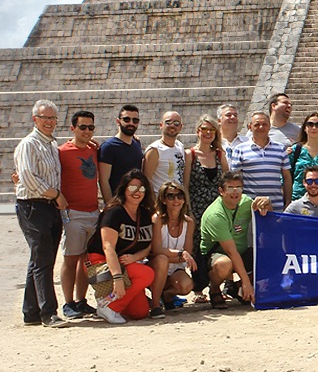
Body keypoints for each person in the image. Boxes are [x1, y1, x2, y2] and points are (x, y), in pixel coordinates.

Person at [14, 99, 69, 327]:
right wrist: (56, 194)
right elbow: (27, 177)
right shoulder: (28, 144)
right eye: (45, 118)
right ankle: (49, 313)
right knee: (44, 259)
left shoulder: (51, 146)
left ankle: (31, 312)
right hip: (34, 205)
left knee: (40, 259)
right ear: (34, 119)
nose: (49, 122)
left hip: (49, 207)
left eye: (53, 118)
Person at [86, 169, 156, 324]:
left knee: (140, 312)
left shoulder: (144, 214)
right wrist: (117, 277)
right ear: (124, 189)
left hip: (128, 262)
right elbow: (108, 246)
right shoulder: (114, 212)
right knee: (147, 274)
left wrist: (135, 257)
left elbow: (148, 245)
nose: (137, 192)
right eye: (132, 188)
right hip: (103, 261)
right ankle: (109, 306)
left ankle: (111, 303)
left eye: (141, 188)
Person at [195, 171, 273, 308]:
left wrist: (267, 204)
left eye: (238, 188)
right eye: (230, 188)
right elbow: (231, 251)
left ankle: (235, 288)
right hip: (216, 256)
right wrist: (247, 283)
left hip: (240, 252)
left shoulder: (246, 202)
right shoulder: (215, 215)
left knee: (269, 257)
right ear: (221, 191)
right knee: (225, 264)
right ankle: (214, 289)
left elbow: (269, 220)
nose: (235, 192)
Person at [57, 110, 100, 319]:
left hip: (94, 211)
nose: (87, 131)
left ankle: (81, 300)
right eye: (82, 127)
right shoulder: (62, 152)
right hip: (73, 213)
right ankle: (68, 302)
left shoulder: (94, 150)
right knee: (71, 258)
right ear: (72, 128)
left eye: (91, 127)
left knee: (87, 260)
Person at [182, 114, 229, 296]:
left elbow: (226, 180)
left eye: (211, 130)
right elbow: (185, 185)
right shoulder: (190, 155)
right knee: (197, 247)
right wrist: (189, 210)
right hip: (197, 207)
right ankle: (199, 288)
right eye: (204, 129)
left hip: (216, 208)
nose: (207, 133)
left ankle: (217, 286)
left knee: (218, 245)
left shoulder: (219, 154)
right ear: (197, 131)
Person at [148, 181, 196, 317]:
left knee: (186, 285)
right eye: (170, 196)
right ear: (163, 200)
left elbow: (188, 251)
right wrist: (180, 254)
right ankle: (156, 305)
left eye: (180, 196)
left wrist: (181, 255)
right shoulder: (157, 219)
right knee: (162, 260)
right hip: (156, 265)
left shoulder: (189, 222)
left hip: (175, 268)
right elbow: (157, 250)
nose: (176, 200)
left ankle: (166, 294)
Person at [228, 111, 293, 211]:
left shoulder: (280, 148)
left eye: (264, 124)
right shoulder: (239, 149)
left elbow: (287, 177)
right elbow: (235, 179)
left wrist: (288, 201)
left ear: (269, 126)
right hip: (249, 208)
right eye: (257, 124)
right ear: (249, 127)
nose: (261, 127)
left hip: (276, 206)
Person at [98, 105, 144, 203]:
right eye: (126, 119)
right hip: (118, 203)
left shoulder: (137, 143)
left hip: (135, 203)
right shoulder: (108, 147)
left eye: (135, 120)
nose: (131, 123)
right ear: (118, 121)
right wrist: (111, 205)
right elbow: (103, 180)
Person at [144, 111, 185, 193]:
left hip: (177, 200)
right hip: (160, 200)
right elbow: (146, 180)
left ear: (180, 127)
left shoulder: (180, 146)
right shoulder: (155, 150)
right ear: (161, 125)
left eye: (176, 123)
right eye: (168, 122)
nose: (172, 125)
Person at [290, 112, 318, 201]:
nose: (314, 128)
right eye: (310, 124)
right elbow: (286, 175)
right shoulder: (295, 150)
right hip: (297, 198)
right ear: (304, 128)